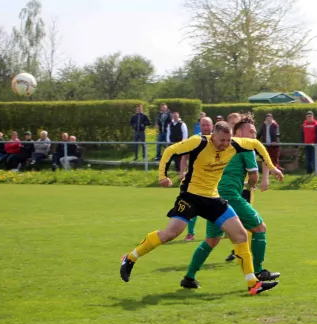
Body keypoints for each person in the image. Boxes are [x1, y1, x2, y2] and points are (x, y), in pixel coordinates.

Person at [119, 121, 284, 295]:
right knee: (171, 233)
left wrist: (272, 168)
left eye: (228, 140)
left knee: (241, 234)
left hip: (213, 199)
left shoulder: (235, 144)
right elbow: (170, 150)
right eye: (221, 140)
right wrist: (162, 176)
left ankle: (253, 284)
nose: (225, 144)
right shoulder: (199, 142)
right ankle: (130, 258)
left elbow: (257, 144)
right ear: (213, 135)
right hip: (191, 196)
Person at [182, 114, 280, 289]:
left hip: (212, 196)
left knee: (212, 239)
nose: (254, 134)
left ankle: (189, 277)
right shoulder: (244, 147)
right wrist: (250, 186)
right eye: (251, 131)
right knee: (260, 228)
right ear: (239, 132)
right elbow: (253, 176)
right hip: (230, 197)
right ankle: (258, 271)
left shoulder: (221, 146)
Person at [182, 116, 214, 241]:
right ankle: (191, 233)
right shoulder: (195, 140)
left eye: (207, 125)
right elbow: (184, 155)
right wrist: (183, 171)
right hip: (196, 179)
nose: (205, 127)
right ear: (199, 126)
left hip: (214, 179)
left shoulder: (218, 139)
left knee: (217, 207)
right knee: (192, 206)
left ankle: (219, 231)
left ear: (212, 126)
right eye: (203, 125)